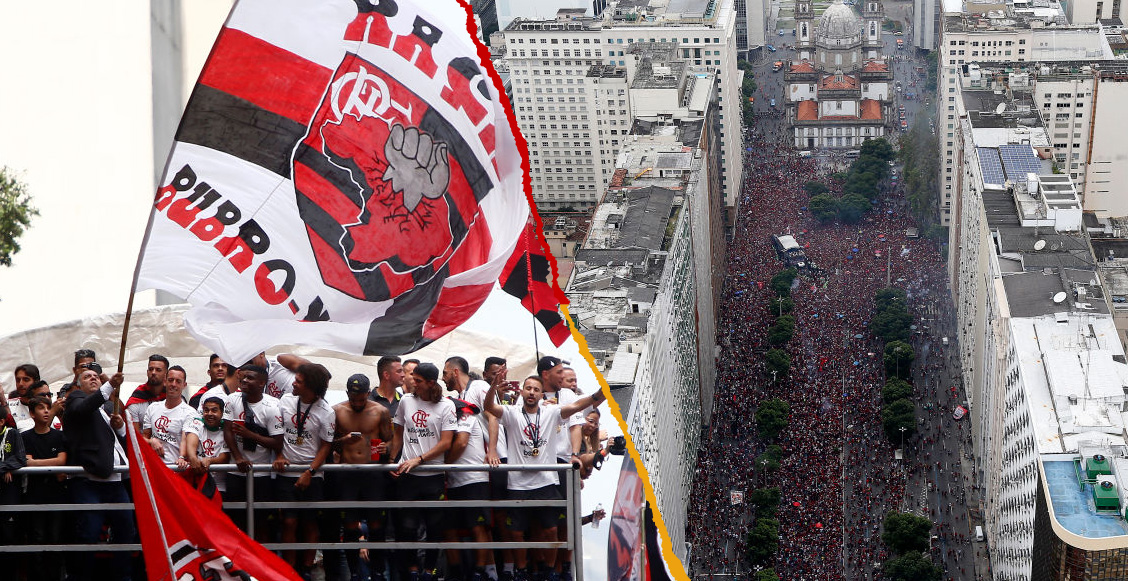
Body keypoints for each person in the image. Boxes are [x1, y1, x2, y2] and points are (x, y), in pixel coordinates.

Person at [482, 376, 606, 581]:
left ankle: (549, 571)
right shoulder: (512, 413)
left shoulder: (551, 412)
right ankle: (521, 571)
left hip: (546, 482)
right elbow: (489, 407)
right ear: (522, 392)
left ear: (541, 394)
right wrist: (493, 388)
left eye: (536, 389)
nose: (531, 392)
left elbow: (575, 406)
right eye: (528, 388)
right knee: (516, 533)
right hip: (518, 484)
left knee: (551, 530)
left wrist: (596, 395)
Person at [62, 367, 134, 581]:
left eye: (95, 376)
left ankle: (123, 577)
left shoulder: (107, 407)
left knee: (126, 532)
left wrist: (120, 428)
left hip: (116, 482)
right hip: (89, 482)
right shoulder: (76, 399)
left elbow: (121, 442)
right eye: (87, 377)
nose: (93, 378)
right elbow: (84, 407)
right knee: (89, 533)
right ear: (78, 385)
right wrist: (109, 385)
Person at [388, 362, 456, 580]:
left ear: (430, 382)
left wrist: (419, 459)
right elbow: (398, 433)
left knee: (434, 527)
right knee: (407, 526)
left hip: (434, 474)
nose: (412, 383)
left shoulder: (446, 405)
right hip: (408, 474)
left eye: (417, 380)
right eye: (412, 378)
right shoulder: (406, 401)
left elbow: (446, 443)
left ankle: (430, 570)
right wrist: (392, 460)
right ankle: (412, 570)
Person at [273, 363, 336, 575]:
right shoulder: (286, 401)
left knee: (310, 522)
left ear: (310, 386)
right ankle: (289, 569)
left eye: (299, 381)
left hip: (313, 475)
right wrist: (279, 454)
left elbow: (326, 446)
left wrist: (310, 472)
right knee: (289, 521)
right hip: (286, 473)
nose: (293, 383)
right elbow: (277, 433)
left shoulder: (326, 411)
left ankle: (307, 570)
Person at [333, 373, 394, 581]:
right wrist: (344, 440)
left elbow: (388, 441)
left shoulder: (380, 411)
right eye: (353, 398)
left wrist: (382, 450)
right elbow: (328, 443)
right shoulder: (337, 411)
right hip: (347, 473)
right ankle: (355, 572)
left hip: (372, 472)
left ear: (369, 393)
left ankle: (377, 571)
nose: (357, 403)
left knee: (377, 524)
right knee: (350, 525)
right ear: (347, 394)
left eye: (361, 399)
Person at [222, 364, 284, 539]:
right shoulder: (232, 400)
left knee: (261, 521)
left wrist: (250, 435)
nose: (244, 381)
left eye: (250, 378)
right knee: (235, 519)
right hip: (235, 471)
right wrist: (238, 458)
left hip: (261, 474)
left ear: (262, 383)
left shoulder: (272, 406)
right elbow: (227, 430)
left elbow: (277, 442)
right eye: (243, 377)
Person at [443, 389, 495, 581]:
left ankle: (479, 572)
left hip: (474, 479)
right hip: (453, 482)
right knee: (449, 528)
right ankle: (456, 572)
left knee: (478, 527)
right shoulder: (445, 416)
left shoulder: (465, 413)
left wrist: (444, 466)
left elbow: (461, 443)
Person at [21, 395, 67, 581]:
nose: (46, 411)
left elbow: (62, 461)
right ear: (32, 413)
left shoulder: (59, 435)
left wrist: (37, 463)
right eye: (41, 408)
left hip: (56, 492)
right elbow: (26, 462)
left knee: (55, 537)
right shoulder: (25, 437)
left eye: (48, 407)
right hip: (35, 493)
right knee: (37, 537)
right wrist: (52, 465)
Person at [142, 365, 195, 463]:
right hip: (154, 467)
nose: (173, 384)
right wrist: (151, 441)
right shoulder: (152, 408)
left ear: (184, 385)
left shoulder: (190, 412)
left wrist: (182, 457)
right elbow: (143, 438)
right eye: (170, 380)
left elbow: (186, 439)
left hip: (175, 469)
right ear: (165, 382)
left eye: (178, 381)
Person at [182, 396, 231, 499]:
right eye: (206, 410)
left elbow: (225, 457)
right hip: (197, 481)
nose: (209, 414)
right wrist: (193, 458)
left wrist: (210, 461)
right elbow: (191, 440)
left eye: (214, 410)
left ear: (222, 413)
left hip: (218, 486)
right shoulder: (198, 423)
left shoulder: (226, 430)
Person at [0, 398, 26, 574]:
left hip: (9, 493)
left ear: (1, 421)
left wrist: (5, 467)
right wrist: (5, 467)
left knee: (9, 535)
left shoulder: (12, 434)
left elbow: (20, 458)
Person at [126, 354, 170, 434]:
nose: (153, 372)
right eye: (151, 369)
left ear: (166, 374)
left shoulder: (173, 398)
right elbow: (134, 436)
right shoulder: (137, 399)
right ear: (147, 372)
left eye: (158, 370)